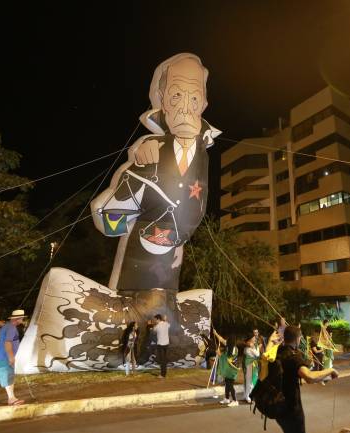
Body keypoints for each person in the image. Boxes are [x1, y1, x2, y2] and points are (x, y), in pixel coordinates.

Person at [90, 53, 221, 361]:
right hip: (136, 269)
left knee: (167, 304)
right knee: (141, 305)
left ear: (203, 103)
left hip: (172, 264)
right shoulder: (149, 152)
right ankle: (130, 349)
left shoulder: (204, 143)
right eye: (177, 94)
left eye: (194, 96)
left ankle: (159, 352)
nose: (186, 105)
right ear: (162, 99)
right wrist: (136, 158)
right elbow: (110, 219)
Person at [274, 326, 339, 433]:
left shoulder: (278, 352)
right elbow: (310, 377)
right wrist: (330, 370)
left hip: (279, 406)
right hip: (291, 408)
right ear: (297, 339)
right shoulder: (293, 357)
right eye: (300, 338)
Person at [218, 335, 239, 407]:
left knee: (230, 385)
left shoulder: (233, 349)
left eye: (227, 340)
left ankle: (235, 400)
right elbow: (221, 339)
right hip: (228, 369)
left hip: (232, 370)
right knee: (227, 384)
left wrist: (219, 354)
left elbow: (227, 358)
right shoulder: (229, 347)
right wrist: (215, 333)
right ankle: (227, 398)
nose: (226, 341)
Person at [242, 334, 260, 403]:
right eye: (253, 338)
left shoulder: (254, 346)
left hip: (254, 366)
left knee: (253, 380)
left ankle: (248, 395)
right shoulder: (247, 349)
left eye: (254, 338)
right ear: (249, 340)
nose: (254, 339)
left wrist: (254, 347)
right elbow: (257, 354)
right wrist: (253, 348)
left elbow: (258, 354)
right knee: (249, 381)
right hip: (249, 366)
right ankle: (247, 396)